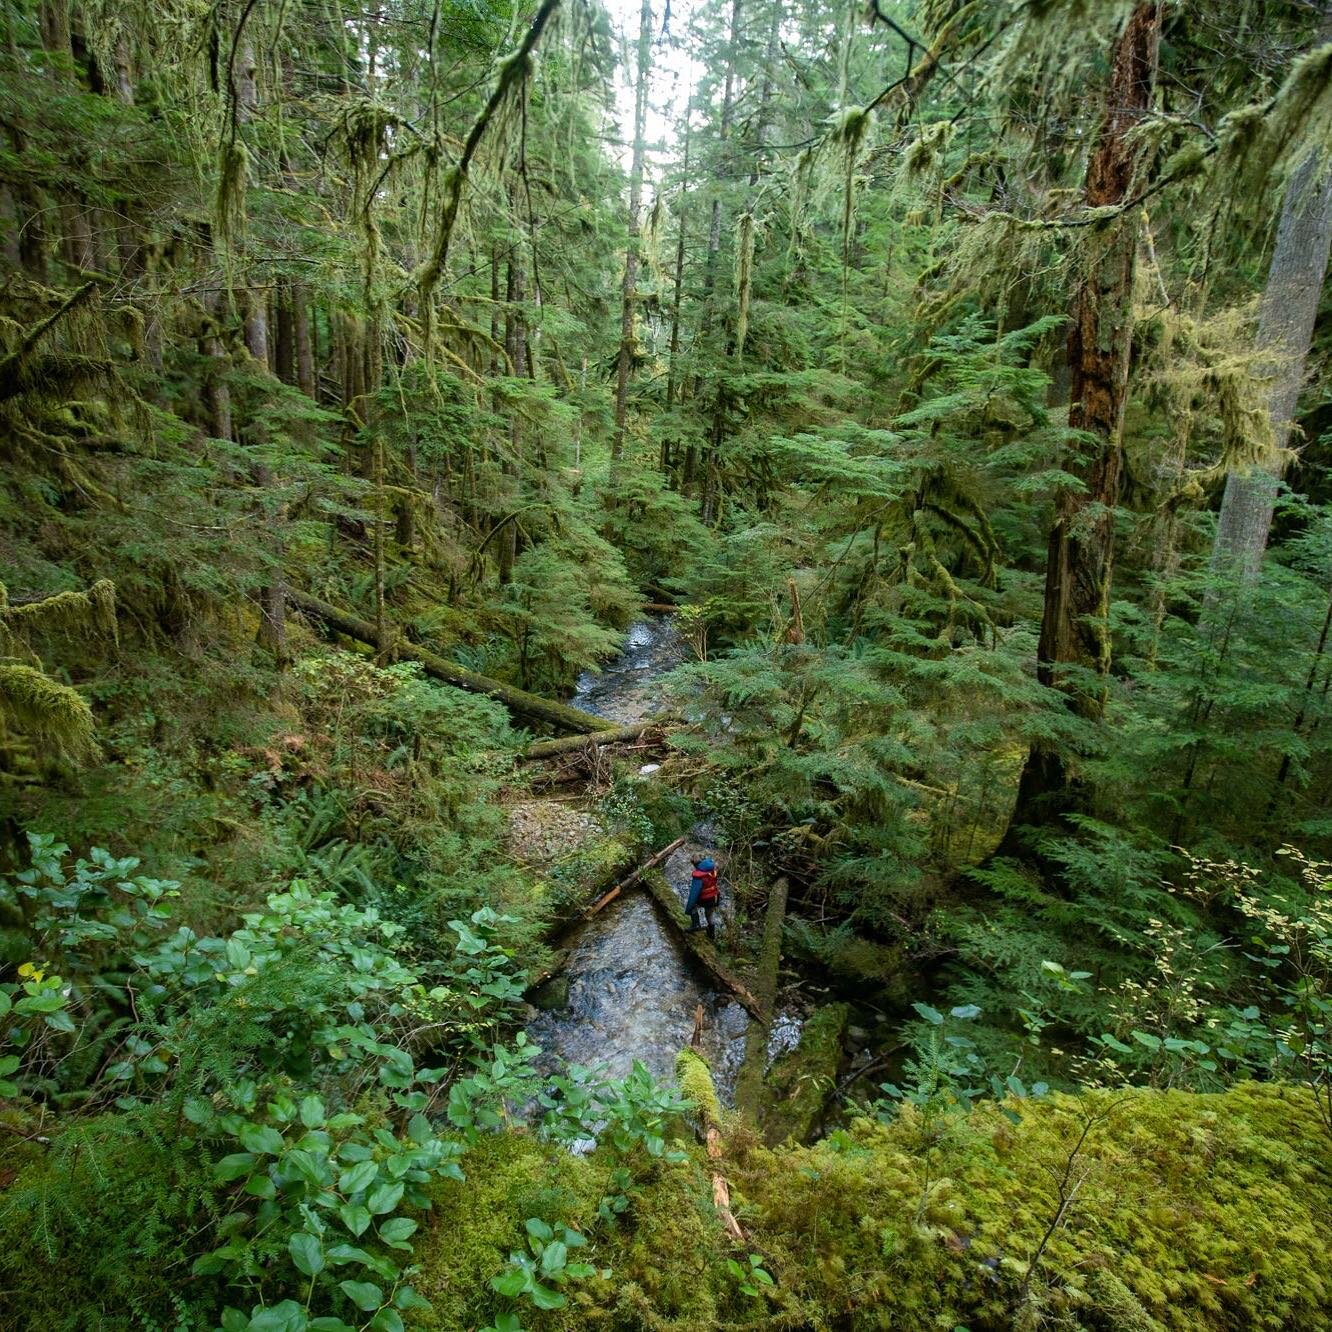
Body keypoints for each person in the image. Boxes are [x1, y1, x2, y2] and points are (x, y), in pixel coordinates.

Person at [686, 854, 720, 939]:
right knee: (709, 915)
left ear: (695, 864)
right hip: (715, 897)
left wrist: (689, 906)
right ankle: (712, 934)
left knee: (693, 907)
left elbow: (694, 893)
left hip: (705, 898)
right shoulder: (712, 869)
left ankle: (696, 925)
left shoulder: (698, 876)